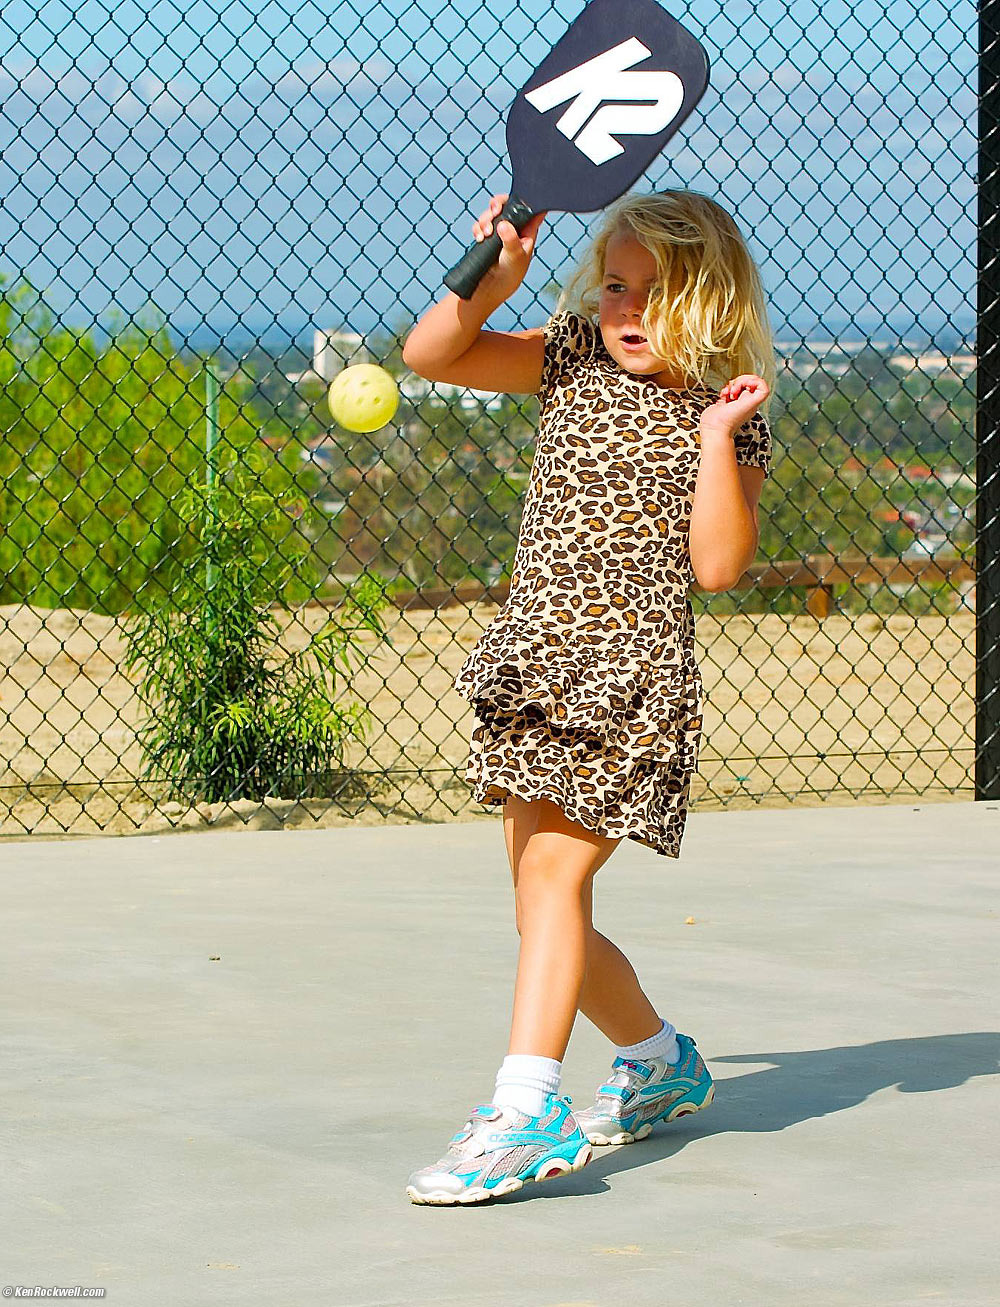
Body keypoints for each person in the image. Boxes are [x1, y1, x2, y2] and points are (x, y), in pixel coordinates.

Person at [401, 188, 775, 1206]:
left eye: (658, 291)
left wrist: (712, 440)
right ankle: (659, 1061)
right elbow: (430, 355)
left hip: (628, 683)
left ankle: (525, 1109)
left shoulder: (725, 407)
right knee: (540, 903)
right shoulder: (568, 353)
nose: (628, 308)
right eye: (615, 283)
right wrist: (488, 280)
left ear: (712, 301)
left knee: (555, 880)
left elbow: (718, 565)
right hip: (537, 666)